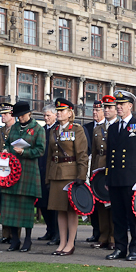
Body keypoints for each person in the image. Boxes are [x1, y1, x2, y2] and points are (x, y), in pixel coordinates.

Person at [103, 91, 136, 261]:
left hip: (132, 179)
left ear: (130, 106)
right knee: (117, 217)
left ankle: (135, 250)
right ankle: (120, 248)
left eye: (121, 104)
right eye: (117, 104)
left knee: (134, 218)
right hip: (116, 179)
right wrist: (108, 178)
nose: (118, 107)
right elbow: (109, 155)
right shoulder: (113, 128)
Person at [45, 98, 88, 256]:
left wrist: (81, 176)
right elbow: (50, 156)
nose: (58, 113)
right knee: (60, 210)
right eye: (57, 110)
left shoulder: (77, 129)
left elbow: (82, 155)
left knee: (71, 210)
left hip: (71, 174)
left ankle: (70, 243)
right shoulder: (54, 130)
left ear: (70, 113)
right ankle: (62, 242)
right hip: (56, 174)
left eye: (62, 110)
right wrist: (48, 178)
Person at [1, 101, 46, 252]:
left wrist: (24, 152)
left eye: (21, 116)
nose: (19, 118)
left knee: (26, 208)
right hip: (12, 172)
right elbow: (7, 143)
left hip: (28, 172)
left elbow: (40, 150)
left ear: (29, 114)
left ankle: (27, 239)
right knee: (11, 206)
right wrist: (7, 150)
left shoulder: (38, 129)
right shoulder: (14, 127)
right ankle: (14, 239)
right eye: (17, 116)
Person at [89, 95, 118, 250]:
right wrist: (92, 173)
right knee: (101, 205)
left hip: (112, 168)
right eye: (104, 108)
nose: (106, 111)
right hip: (99, 169)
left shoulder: (120, 126)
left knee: (113, 205)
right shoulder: (97, 129)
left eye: (109, 108)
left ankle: (114, 237)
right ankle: (103, 236)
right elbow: (94, 153)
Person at [36, 104, 59, 245]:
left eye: (48, 115)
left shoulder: (58, 130)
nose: (45, 118)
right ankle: (49, 230)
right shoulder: (42, 130)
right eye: (44, 116)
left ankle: (57, 232)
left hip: (53, 171)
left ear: (55, 115)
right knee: (43, 203)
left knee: (54, 204)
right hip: (41, 170)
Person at [0, 102, 16, 245]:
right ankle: (5, 234)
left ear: (12, 115)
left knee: (14, 203)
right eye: (2, 114)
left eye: (5, 114)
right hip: (1, 170)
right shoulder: (0, 131)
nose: (2, 116)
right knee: (4, 203)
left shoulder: (17, 130)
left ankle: (14, 235)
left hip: (14, 170)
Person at [84, 100, 105, 243]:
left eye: (98, 110)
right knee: (94, 203)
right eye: (93, 110)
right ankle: (95, 230)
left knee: (104, 202)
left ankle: (105, 234)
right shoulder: (88, 127)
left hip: (103, 169)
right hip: (92, 167)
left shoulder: (108, 126)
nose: (94, 113)